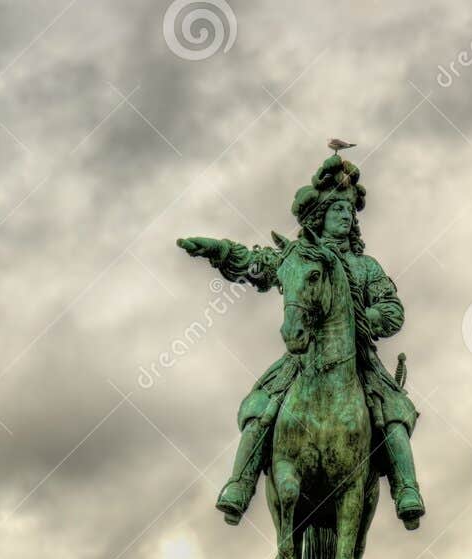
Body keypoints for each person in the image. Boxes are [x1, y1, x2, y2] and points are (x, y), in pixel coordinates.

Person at [178, 152, 426, 529]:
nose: (346, 216)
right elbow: (255, 263)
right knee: (262, 408)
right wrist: (219, 249)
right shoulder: (296, 256)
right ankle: (240, 484)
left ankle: (406, 487)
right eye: (337, 209)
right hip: (302, 359)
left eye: (349, 211)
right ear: (319, 216)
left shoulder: (366, 267)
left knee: (392, 413)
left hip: (356, 360)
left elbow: (393, 310)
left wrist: (367, 319)